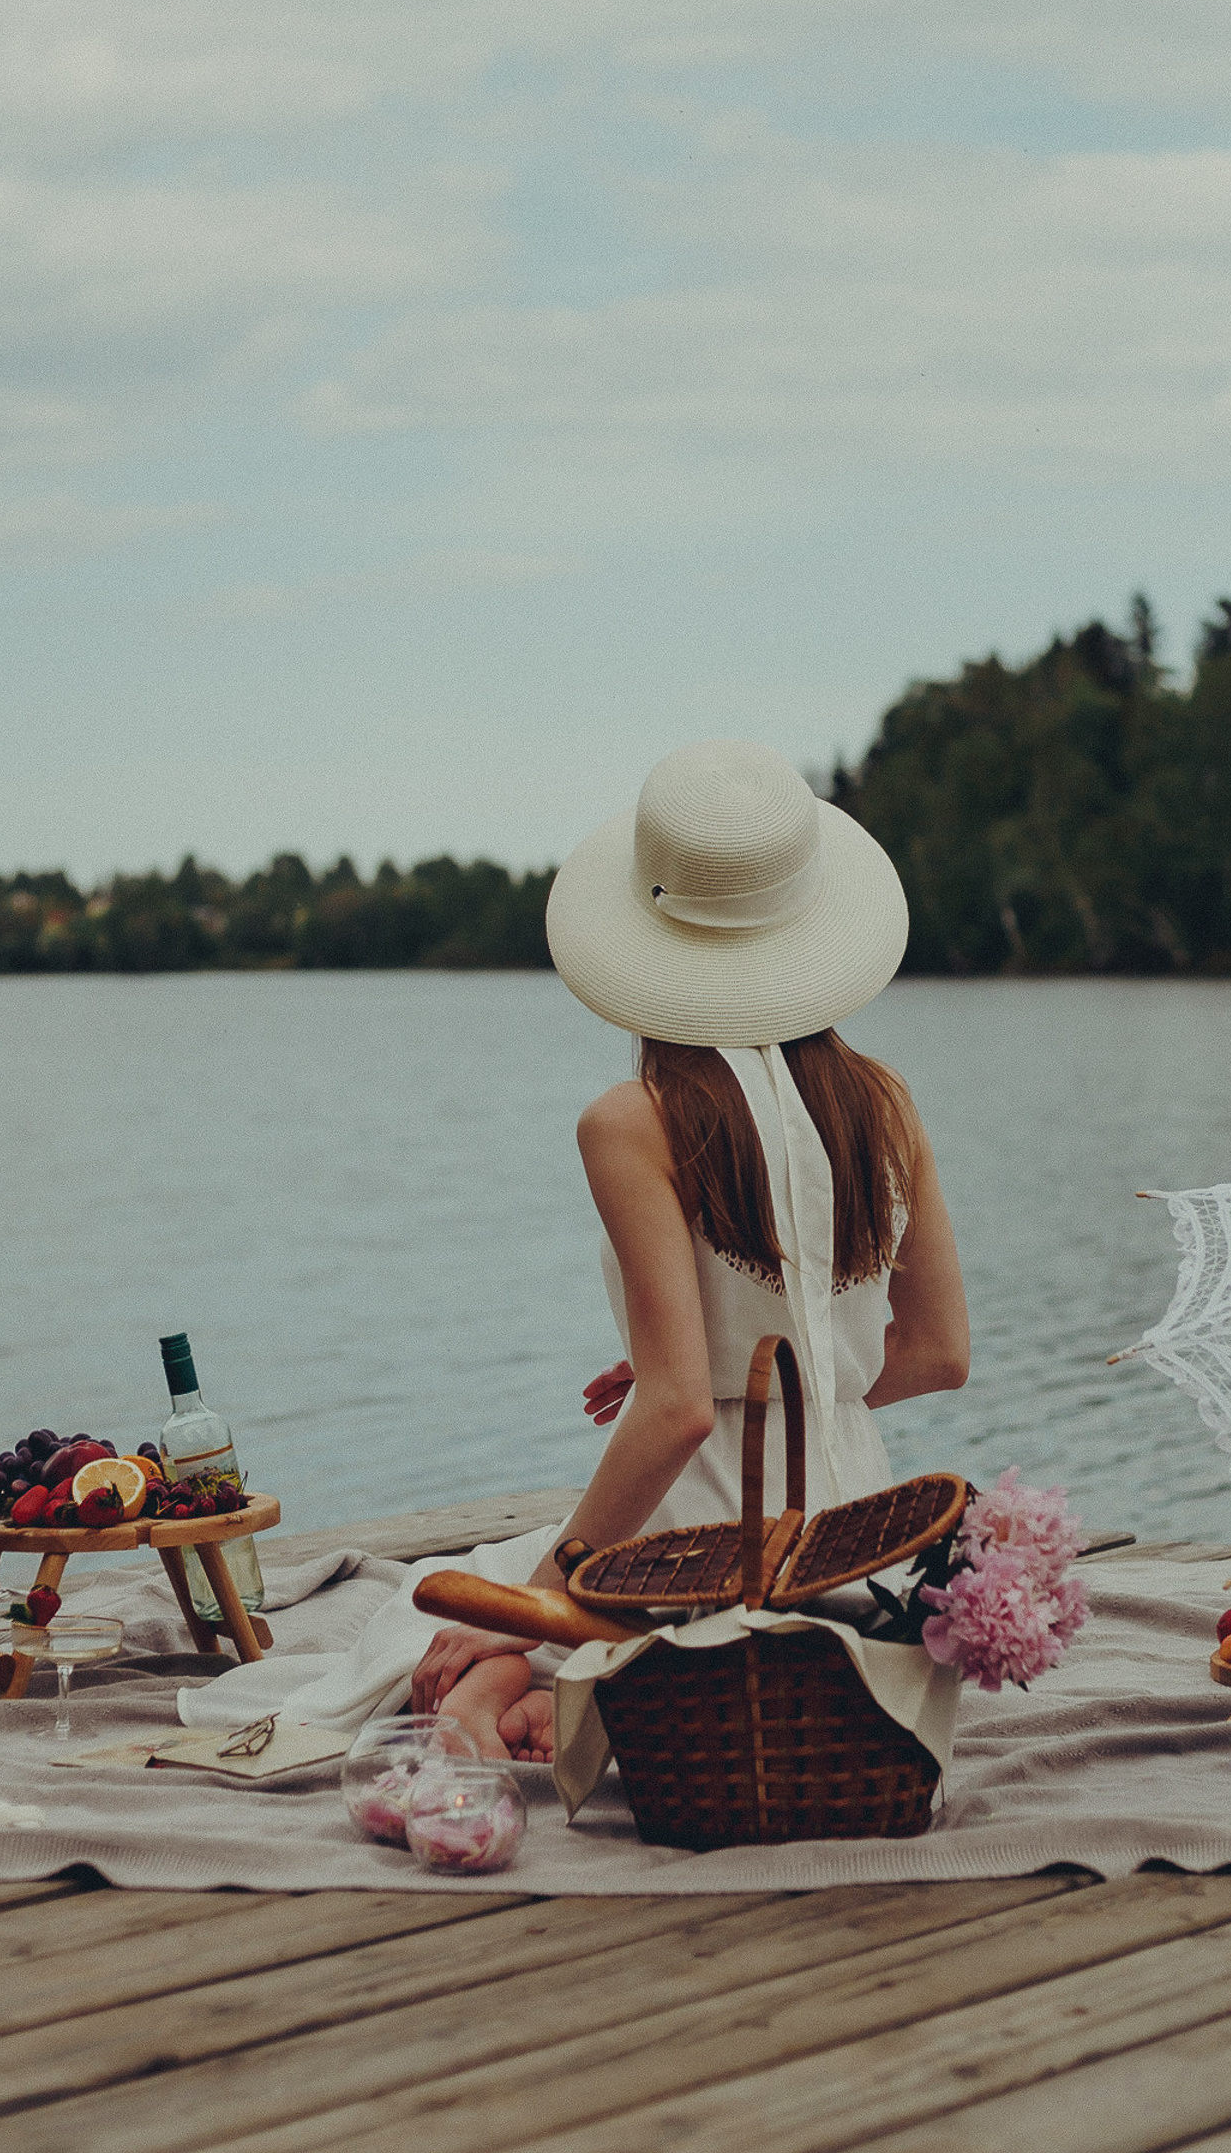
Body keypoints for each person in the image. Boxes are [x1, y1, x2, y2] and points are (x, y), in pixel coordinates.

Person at [412, 737, 971, 1762]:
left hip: (702, 1549)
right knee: (490, 1612)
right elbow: (940, 1356)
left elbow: (670, 1413)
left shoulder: (631, 1120)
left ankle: (553, 1676)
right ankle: (564, 1690)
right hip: (862, 1551)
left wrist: (525, 1610)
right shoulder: (888, 1104)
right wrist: (769, 1372)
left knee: (449, 1619)